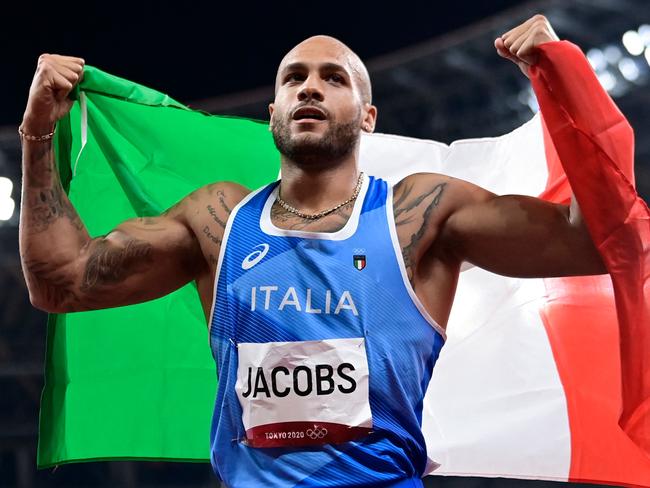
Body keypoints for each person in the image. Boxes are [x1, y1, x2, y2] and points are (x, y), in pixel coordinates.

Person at [19, 14, 608, 488]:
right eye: (294, 77)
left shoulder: (421, 216)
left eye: (334, 78)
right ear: (272, 112)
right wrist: (38, 134)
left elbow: (597, 239)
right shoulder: (217, 223)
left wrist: (566, 85)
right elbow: (61, 280)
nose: (310, 86)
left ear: (369, 116)